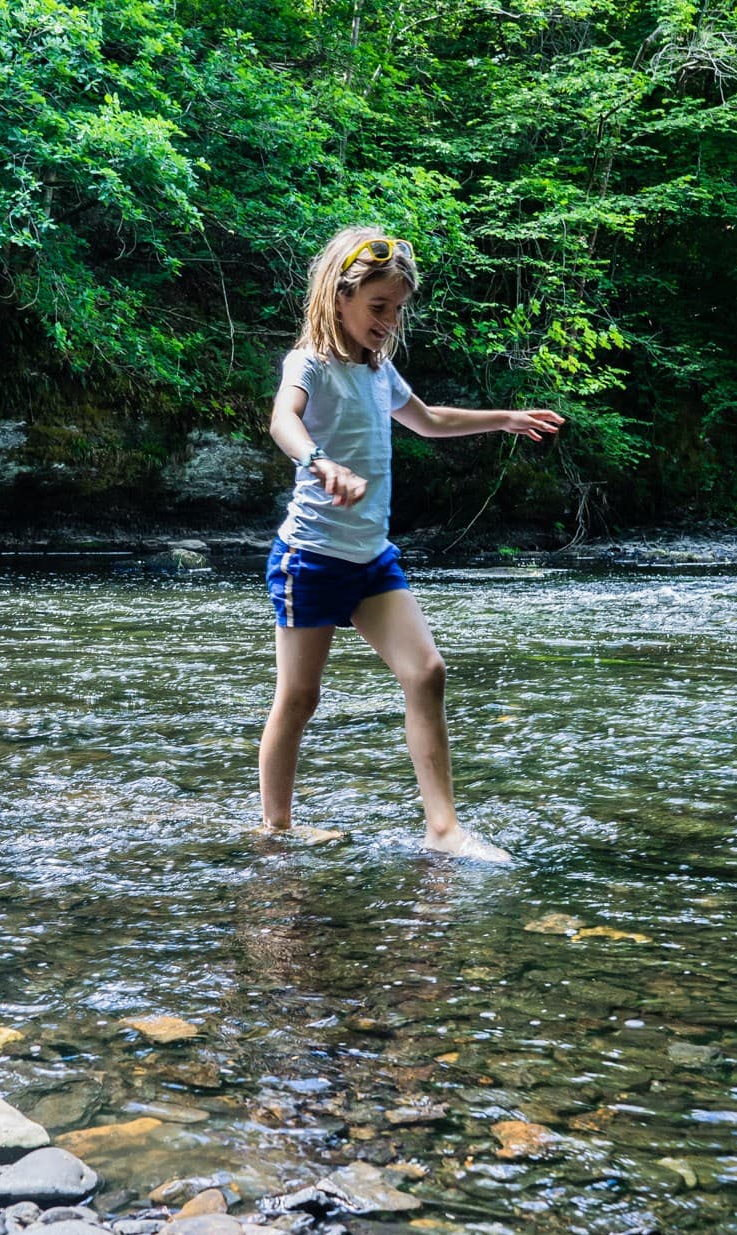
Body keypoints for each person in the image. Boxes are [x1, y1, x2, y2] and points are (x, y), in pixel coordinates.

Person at [259, 226, 564, 862]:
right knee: (301, 697)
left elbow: (426, 420)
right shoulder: (309, 363)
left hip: (371, 560)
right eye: (378, 306)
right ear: (339, 296)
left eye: (396, 309)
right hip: (310, 559)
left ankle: (443, 831)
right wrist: (319, 461)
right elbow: (283, 419)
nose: (388, 321)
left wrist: (505, 419)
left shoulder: (379, 371)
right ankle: (276, 829)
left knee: (427, 673)